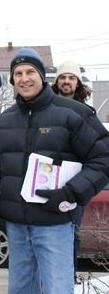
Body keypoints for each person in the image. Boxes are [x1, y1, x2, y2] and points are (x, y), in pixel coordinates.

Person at [0, 47, 109, 293]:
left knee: (58, 289)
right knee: (21, 290)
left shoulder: (72, 114)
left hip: (54, 225)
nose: (24, 78)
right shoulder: (4, 121)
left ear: (42, 76)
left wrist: (71, 192)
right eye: (18, 73)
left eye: (30, 72)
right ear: (13, 79)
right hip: (15, 227)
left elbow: (103, 158)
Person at [52, 60, 94, 282]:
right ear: (56, 81)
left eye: (71, 78)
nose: (66, 81)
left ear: (78, 83)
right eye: (62, 77)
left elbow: (96, 153)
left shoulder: (88, 113)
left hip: (75, 184)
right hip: (48, 180)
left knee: (72, 232)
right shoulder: (47, 108)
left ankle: (69, 275)